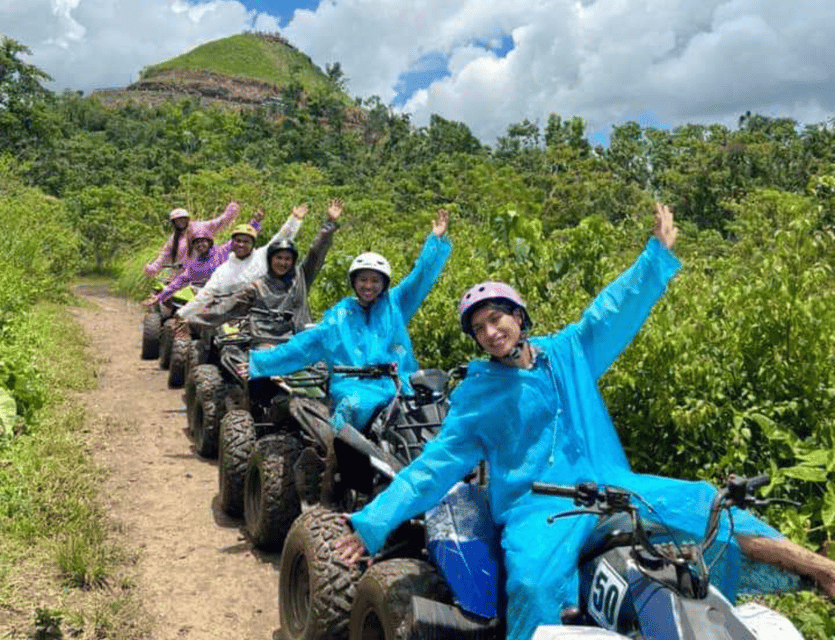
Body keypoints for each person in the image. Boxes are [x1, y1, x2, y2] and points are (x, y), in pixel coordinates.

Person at [335, 204, 835, 640]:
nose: (490, 332)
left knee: (709, 506)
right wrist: (373, 524)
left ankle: (820, 569)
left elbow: (610, 314)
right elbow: (433, 468)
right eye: (479, 327)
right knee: (531, 584)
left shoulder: (568, 352)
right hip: (540, 509)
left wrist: (655, 258)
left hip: (613, 487)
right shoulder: (476, 395)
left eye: (497, 318)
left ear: (519, 316)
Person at [247, 209, 451, 434]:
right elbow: (304, 345)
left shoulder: (396, 303)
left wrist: (435, 241)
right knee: (352, 409)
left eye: (375, 280)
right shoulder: (340, 316)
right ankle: (337, 460)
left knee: (437, 411)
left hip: (397, 381)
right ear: (354, 282)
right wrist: (258, 363)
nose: (368, 286)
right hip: (354, 384)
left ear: (384, 284)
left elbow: (420, 277)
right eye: (363, 280)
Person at [195, 199, 344, 341]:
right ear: (270, 260)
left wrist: (329, 224)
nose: (283, 263)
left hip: (297, 341)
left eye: (287, 259)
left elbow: (315, 253)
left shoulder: (301, 278)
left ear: (293, 262)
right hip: (264, 341)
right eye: (278, 258)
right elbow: (227, 308)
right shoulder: (257, 286)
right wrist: (194, 320)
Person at [176, 203, 308, 322]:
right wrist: (182, 314)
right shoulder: (222, 270)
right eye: (237, 241)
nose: (241, 244)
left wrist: (295, 219)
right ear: (232, 244)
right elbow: (204, 296)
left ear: (253, 244)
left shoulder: (262, 256)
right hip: (232, 318)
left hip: (266, 314)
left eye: (246, 241)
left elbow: (282, 236)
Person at [142, 207, 268, 308]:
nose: (200, 244)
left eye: (203, 241)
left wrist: (255, 221)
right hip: (207, 295)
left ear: (209, 242)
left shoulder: (222, 250)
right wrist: (159, 297)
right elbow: (177, 282)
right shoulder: (193, 265)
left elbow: (242, 237)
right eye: (197, 243)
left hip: (234, 291)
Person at [143, 201, 241, 278]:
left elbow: (220, 221)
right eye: (176, 220)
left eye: (182, 219)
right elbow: (165, 255)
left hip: (205, 270)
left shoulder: (201, 227)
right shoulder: (174, 238)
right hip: (182, 274)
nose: (180, 222)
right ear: (173, 223)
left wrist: (231, 211)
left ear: (187, 219)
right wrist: (154, 268)